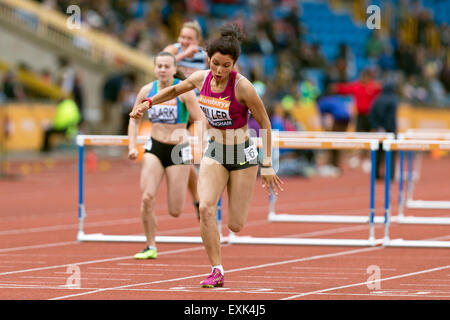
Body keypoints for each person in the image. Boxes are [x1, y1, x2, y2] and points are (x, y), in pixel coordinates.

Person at [130, 24, 283, 288]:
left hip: (243, 154)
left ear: (234, 64)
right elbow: (176, 90)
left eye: (226, 66)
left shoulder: (243, 87)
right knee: (205, 208)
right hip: (215, 151)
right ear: (208, 59)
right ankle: (216, 269)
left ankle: (226, 229)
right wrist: (149, 102)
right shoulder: (201, 78)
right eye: (215, 64)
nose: (220, 71)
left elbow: (266, 124)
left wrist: (267, 163)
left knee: (235, 224)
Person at [128, 51, 206, 260]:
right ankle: (150, 245)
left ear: (173, 69)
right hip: (154, 148)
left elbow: (199, 119)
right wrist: (132, 145)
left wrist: (202, 144)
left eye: (166, 66)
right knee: (146, 198)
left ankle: (197, 198)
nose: (162, 70)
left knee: (175, 210)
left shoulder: (183, 91)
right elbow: (134, 118)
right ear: (154, 69)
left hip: (178, 149)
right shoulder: (147, 90)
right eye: (159, 66)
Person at [163, 21, 208, 219]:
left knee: (189, 155)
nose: (184, 41)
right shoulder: (173, 50)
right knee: (183, 156)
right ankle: (198, 198)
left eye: (189, 38)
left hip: (198, 108)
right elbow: (162, 65)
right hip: (177, 107)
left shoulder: (205, 55)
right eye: (182, 37)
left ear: (197, 40)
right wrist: (183, 54)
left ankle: (203, 199)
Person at [368, 80, 398, 180]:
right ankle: (390, 175)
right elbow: (390, 117)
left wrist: (376, 126)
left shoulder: (377, 99)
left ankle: (375, 174)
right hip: (389, 130)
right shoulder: (393, 100)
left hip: (379, 131)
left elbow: (371, 114)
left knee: (377, 153)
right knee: (390, 153)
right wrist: (389, 129)